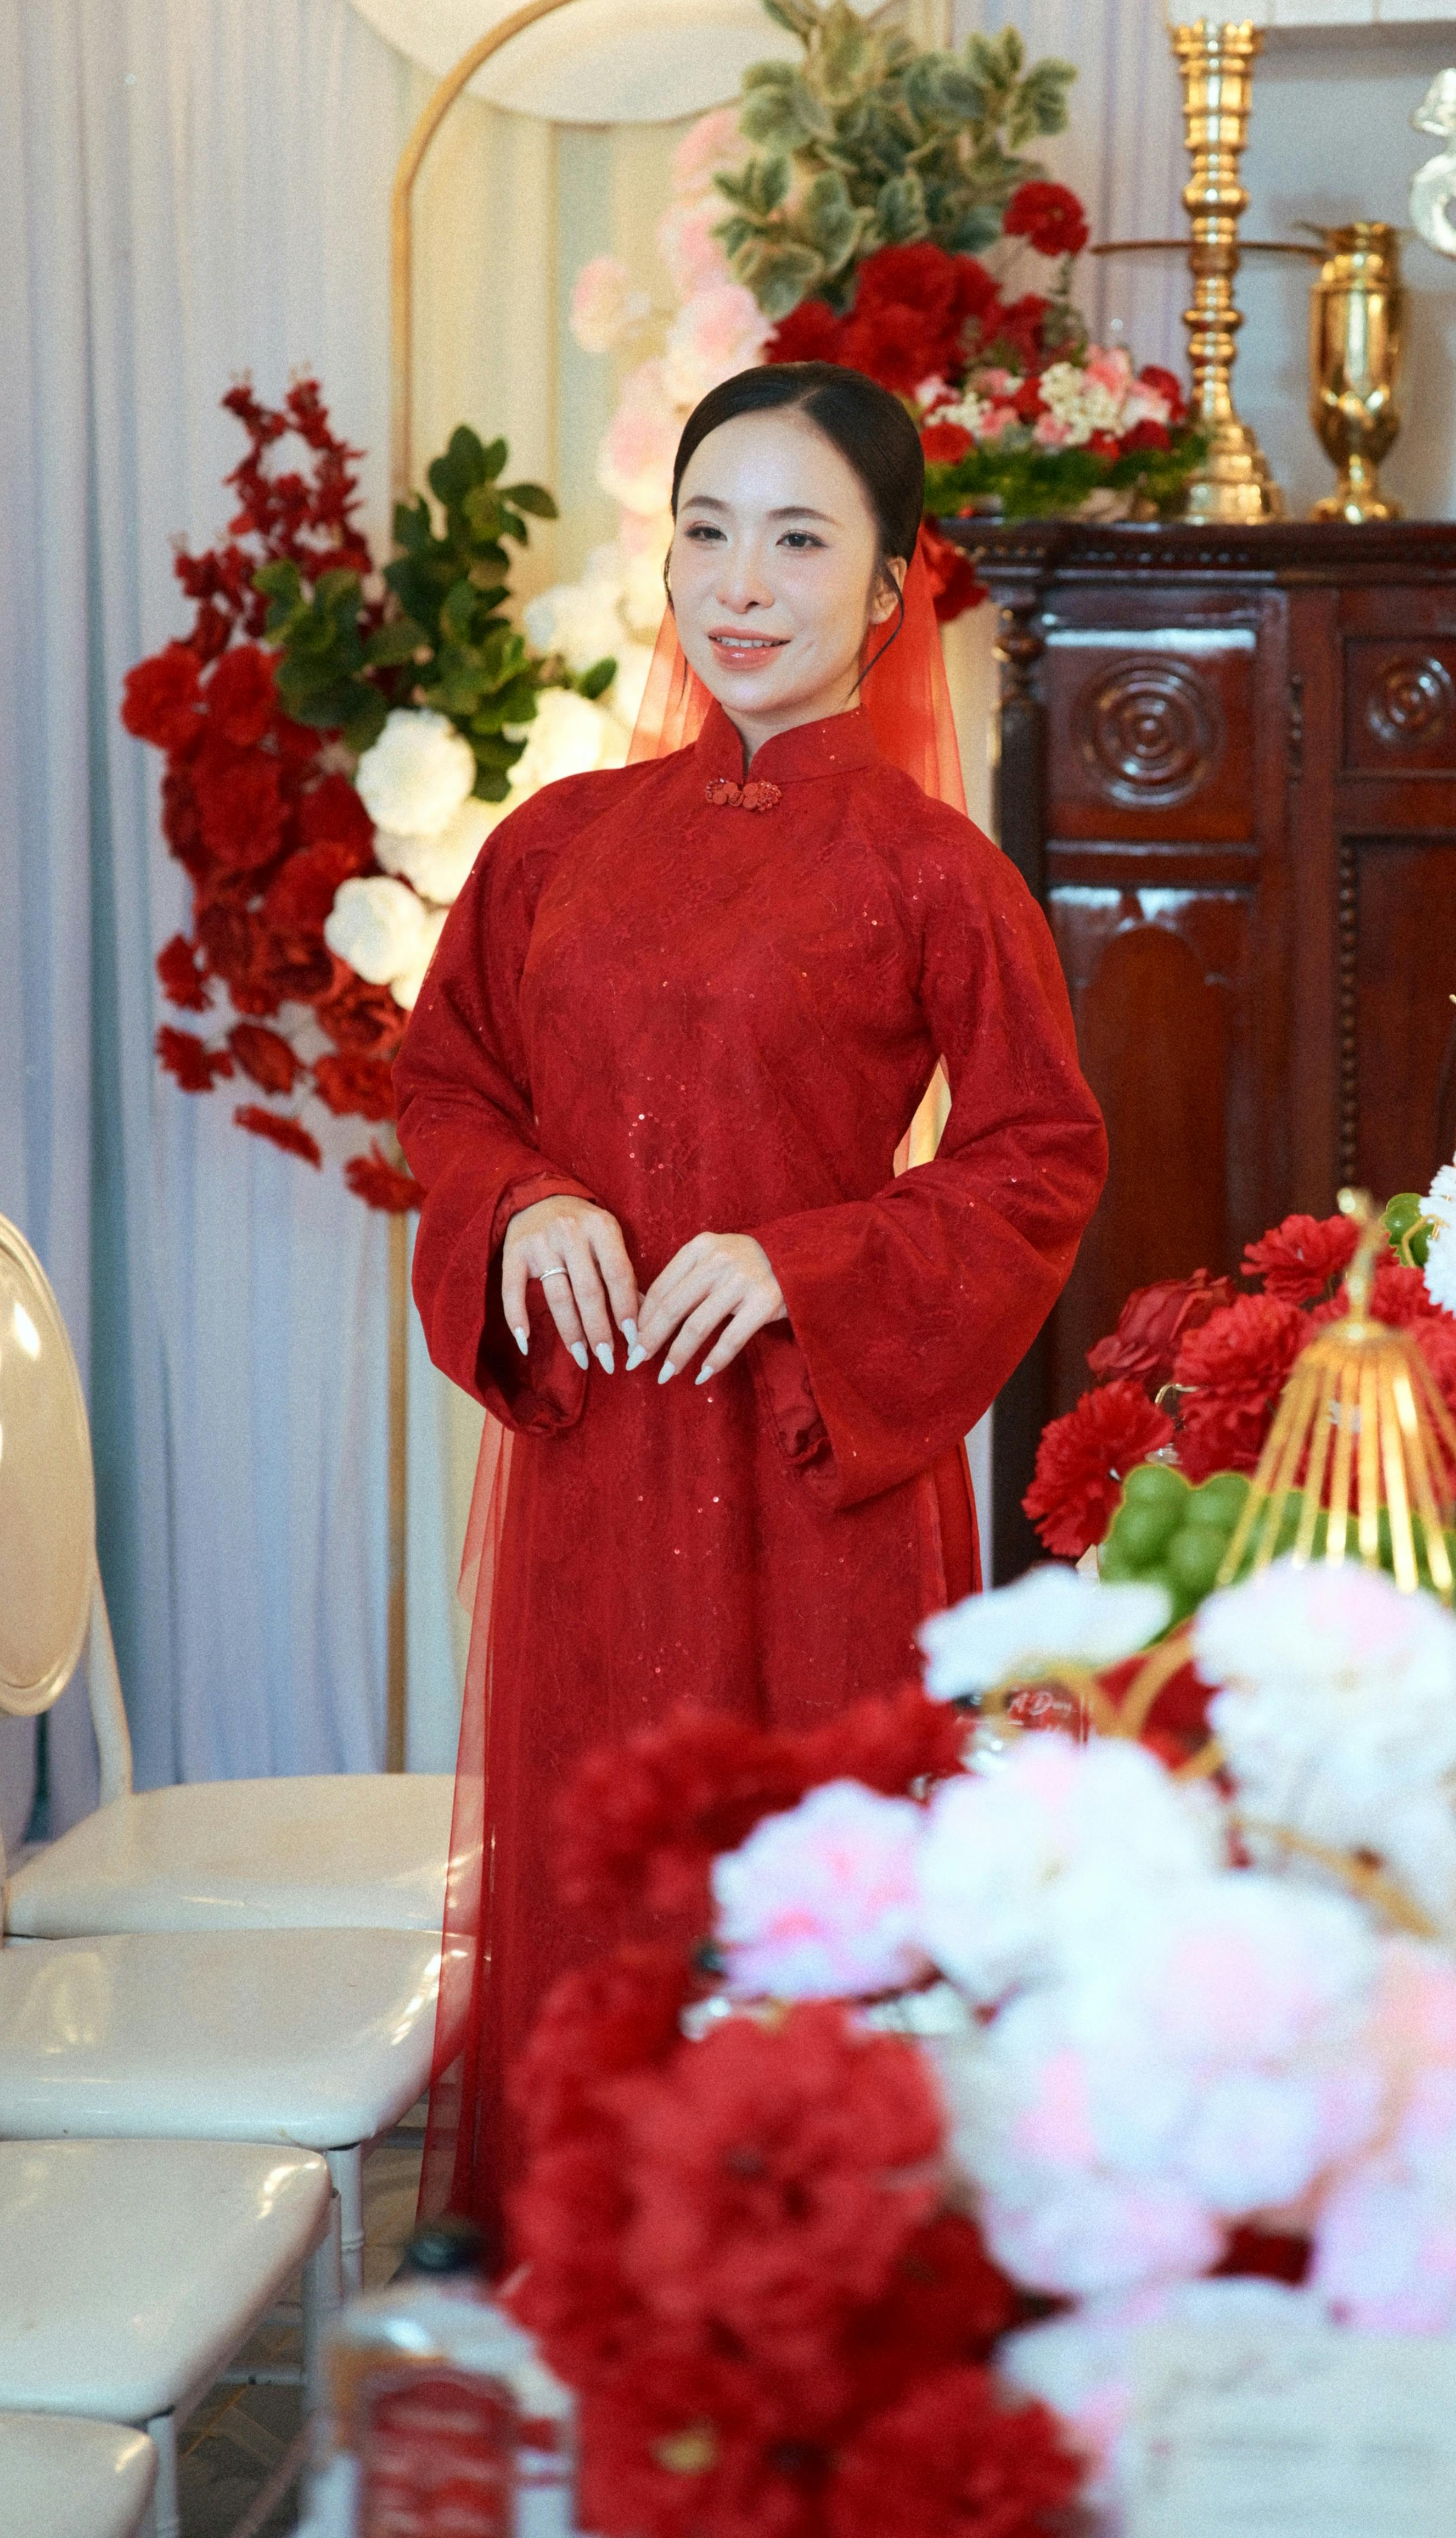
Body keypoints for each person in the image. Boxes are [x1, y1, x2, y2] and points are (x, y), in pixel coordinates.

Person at [395, 362, 1108, 2240]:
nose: (741, 581)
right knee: (595, 1869)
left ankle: (806, 2322)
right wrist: (523, 1194)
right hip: (596, 1462)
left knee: (802, 1895)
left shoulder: (934, 871)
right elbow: (445, 1084)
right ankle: (585, 2301)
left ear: (889, 595)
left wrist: (802, 1259)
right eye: (707, 530)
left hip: (815, 1481)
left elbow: (1039, 1157)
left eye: (800, 540)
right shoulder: (551, 845)